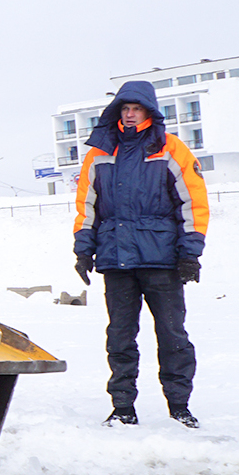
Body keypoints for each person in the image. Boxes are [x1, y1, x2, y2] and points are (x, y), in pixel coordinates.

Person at [73, 80, 208, 428]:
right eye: (125, 108)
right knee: (119, 336)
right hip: (116, 259)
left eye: (136, 108)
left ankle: (179, 406)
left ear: (149, 111)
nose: (130, 114)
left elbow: (193, 204)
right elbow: (87, 207)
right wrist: (84, 249)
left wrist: (190, 253)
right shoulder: (99, 153)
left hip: (162, 261)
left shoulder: (170, 148)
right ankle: (123, 407)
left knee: (172, 334)